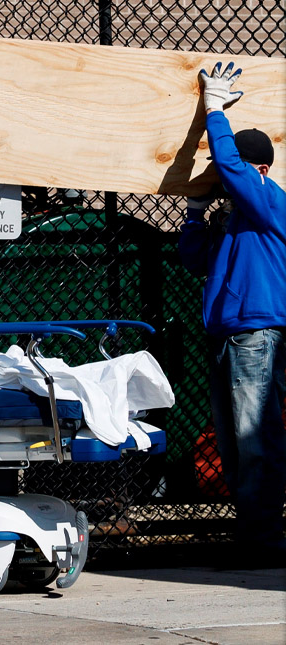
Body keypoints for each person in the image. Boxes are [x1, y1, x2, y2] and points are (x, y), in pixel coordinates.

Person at [180, 62, 285, 555]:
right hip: (227, 333)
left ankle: (262, 536)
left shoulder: (268, 199)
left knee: (253, 436)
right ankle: (254, 533)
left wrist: (214, 108)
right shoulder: (236, 216)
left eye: (234, 173)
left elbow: (231, 165)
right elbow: (194, 262)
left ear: (256, 170)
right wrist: (197, 217)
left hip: (255, 333)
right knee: (233, 440)